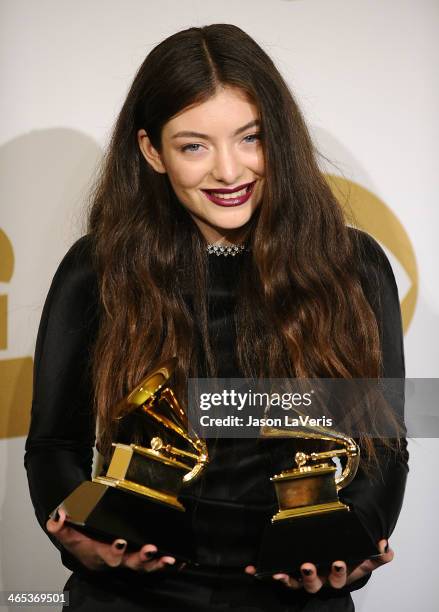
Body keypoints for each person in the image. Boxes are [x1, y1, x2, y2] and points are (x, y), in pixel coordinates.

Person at [24, 23, 408, 611]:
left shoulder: (351, 266)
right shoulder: (98, 269)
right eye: (194, 145)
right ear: (152, 151)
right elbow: (54, 445)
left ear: (279, 137)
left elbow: (383, 446)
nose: (229, 172)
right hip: (126, 598)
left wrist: (349, 556)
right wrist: (82, 539)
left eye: (250, 138)